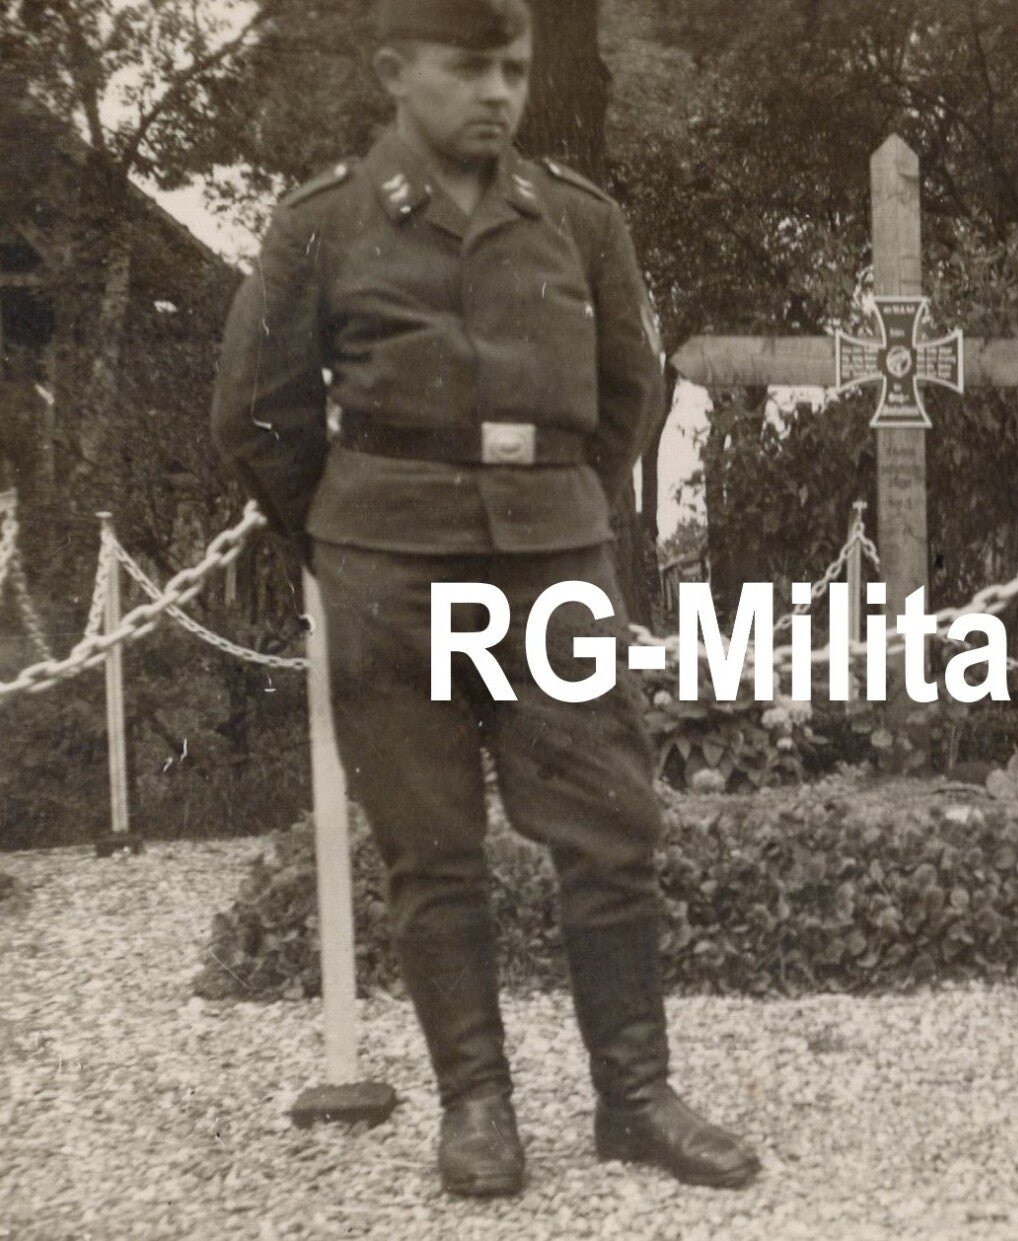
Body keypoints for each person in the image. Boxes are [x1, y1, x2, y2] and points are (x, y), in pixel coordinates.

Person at [210, 0, 759, 1198]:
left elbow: (626, 393)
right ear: (396, 72)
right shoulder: (322, 224)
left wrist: (558, 511)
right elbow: (257, 413)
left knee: (612, 834)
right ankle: (476, 1106)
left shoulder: (576, 217)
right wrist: (348, 536)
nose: (499, 92)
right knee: (433, 848)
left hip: (553, 566)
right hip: (388, 574)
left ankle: (635, 1094)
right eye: (470, 69)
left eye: (513, 68)